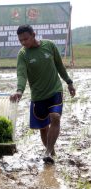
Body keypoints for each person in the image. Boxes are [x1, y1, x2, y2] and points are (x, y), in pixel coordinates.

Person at [10, 24, 76, 164]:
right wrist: (19, 91)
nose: (23, 42)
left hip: (55, 90)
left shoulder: (50, 46)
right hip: (38, 96)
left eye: (26, 39)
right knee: (43, 128)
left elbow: (59, 65)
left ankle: (47, 152)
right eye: (20, 40)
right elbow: (21, 74)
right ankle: (51, 151)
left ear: (34, 35)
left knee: (55, 117)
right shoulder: (23, 54)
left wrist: (69, 82)